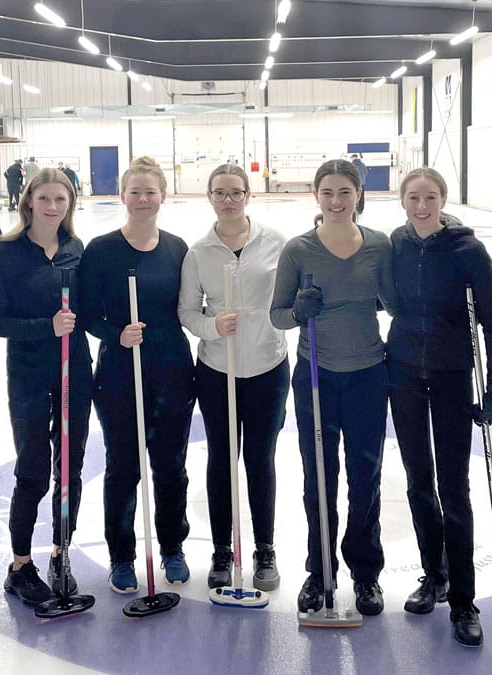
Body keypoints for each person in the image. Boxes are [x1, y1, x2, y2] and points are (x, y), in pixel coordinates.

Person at [386, 167, 492, 647]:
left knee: (453, 488)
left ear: (443, 199)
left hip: (453, 376)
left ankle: (462, 600)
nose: (422, 205)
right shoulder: (395, 244)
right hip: (403, 375)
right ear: (402, 200)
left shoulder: (468, 250)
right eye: (413, 197)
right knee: (419, 483)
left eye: (430, 196)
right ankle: (432, 576)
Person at [270, 158, 396, 617]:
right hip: (316, 376)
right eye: (329, 192)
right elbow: (277, 315)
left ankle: (365, 574)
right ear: (316, 196)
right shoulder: (299, 250)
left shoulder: (379, 245)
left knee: (366, 479)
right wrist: (299, 313)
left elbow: (396, 301)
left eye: (346, 192)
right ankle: (319, 570)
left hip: (367, 375)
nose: (337, 201)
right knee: (318, 478)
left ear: (359, 195)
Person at [79, 156, 195, 594]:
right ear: (122, 196)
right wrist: (116, 333)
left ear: (163, 196)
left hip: (172, 370)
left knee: (170, 467)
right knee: (123, 467)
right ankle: (122, 556)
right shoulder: (102, 249)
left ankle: (172, 548)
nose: (143, 199)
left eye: (151, 191)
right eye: (135, 191)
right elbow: (88, 314)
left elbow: (188, 307)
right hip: (118, 373)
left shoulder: (178, 248)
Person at [178, 164, 289, 591]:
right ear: (209, 197)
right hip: (216, 369)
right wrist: (211, 327)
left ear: (248, 196)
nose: (228, 199)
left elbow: (287, 302)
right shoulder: (199, 252)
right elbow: (187, 311)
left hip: (267, 367)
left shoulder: (275, 243)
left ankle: (265, 550)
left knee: (261, 460)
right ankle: (222, 550)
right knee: (222, 461)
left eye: (236, 192)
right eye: (220, 193)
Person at [0, 168, 93, 606]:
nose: (52, 206)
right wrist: (44, 327)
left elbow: (85, 309)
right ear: (28, 200)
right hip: (29, 372)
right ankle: (20, 565)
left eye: (61, 200)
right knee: (32, 468)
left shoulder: (75, 249)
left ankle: (60, 552)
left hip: (75, 370)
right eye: (44, 198)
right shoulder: (6, 252)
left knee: (70, 466)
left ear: (69, 205)